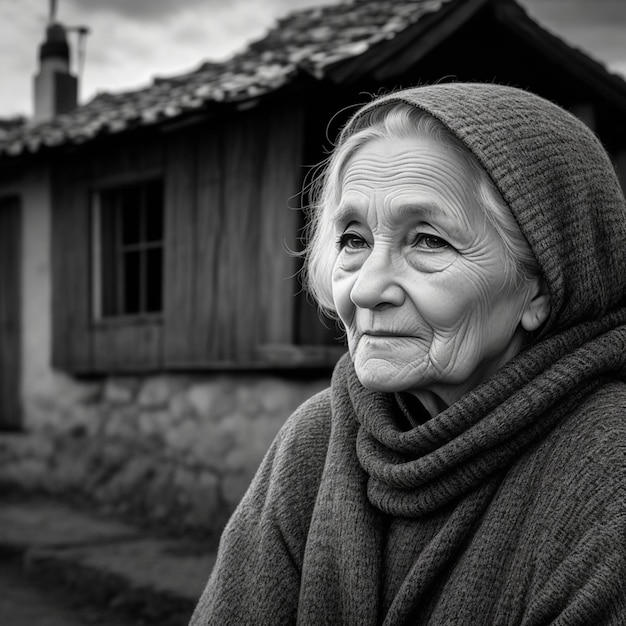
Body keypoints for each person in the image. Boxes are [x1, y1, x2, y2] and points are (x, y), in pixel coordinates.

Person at [189, 83, 626, 625]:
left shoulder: (608, 474)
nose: (366, 289)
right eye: (353, 239)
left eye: (428, 241)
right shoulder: (317, 441)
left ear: (541, 287)